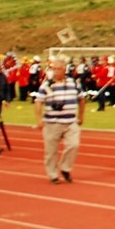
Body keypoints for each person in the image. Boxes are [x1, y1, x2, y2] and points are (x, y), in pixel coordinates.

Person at [33, 55, 85, 184]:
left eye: (58, 69)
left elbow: (82, 99)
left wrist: (81, 116)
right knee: (51, 151)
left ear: (64, 69)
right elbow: (38, 101)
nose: (55, 71)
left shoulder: (73, 83)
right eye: (53, 68)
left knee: (74, 145)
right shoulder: (47, 84)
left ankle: (65, 168)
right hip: (52, 122)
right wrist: (39, 119)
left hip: (70, 121)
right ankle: (52, 174)